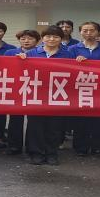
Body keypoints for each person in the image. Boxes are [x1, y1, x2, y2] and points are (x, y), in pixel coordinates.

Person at [19, 26, 71, 165]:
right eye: (48, 36)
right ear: (42, 38)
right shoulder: (31, 53)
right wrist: (20, 60)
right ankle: (36, 153)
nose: (51, 39)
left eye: (55, 37)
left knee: (55, 126)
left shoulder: (68, 54)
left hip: (58, 94)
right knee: (35, 125)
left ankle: (51, 153)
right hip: (36, 94)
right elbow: (20, 70)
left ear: (61, 39)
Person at [67, 22, 100, 157]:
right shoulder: (73, 49)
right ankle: (81, 147)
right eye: (85, 30)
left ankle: (99, 147)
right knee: (81, 120)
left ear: (98, 32)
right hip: (80, 88)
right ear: (80, 32)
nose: (88, 33)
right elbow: (66, 66)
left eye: (92, 30)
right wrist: (75, 62)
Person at [1, 29, 42, 156]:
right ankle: (14, 146)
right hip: (16, 88)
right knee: (15, 119)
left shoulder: (40, 53)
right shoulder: (10, 52)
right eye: (23, 39)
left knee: (34, 120)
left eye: (30, 38)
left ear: (37, 41)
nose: (26, 41)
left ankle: (32, 147)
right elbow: (3, 68)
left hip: (35, 89)